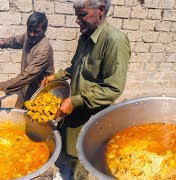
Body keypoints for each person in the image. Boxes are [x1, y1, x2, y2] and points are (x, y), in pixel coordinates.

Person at [42, 0, 131, 179]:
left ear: (101, 10)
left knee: (83, 158)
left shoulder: (114, 41)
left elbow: (113, 88)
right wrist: (57, 76)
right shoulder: (85, 37)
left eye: (82, 15)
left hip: (93, 116)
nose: (77, 20)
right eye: (77, 15)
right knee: (71, 151)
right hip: (74, 111)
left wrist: (75, 101)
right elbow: (76, 67)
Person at [0, 12, 54, 108]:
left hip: (40, 91)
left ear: (44, 30)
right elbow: (16, 40)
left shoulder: (44, 50)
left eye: (36, 31)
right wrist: (1, 43)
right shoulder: (28, 37)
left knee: (33, 120)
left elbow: (27, 76)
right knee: (18, 116)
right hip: (25, 87)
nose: (31, 34)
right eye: (29, 29)